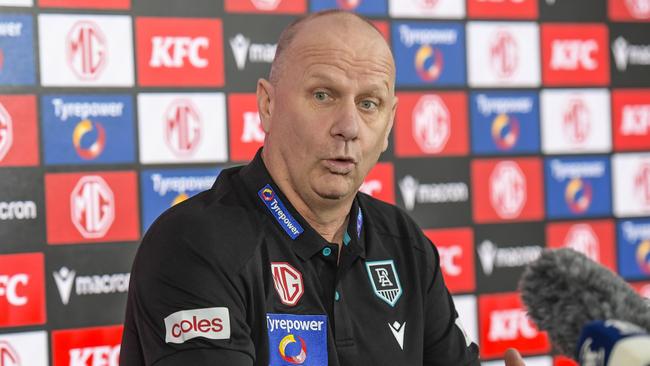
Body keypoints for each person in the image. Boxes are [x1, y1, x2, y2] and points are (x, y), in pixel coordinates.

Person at [120, 10, 526, 366]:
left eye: (369, 104)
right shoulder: (194, 244)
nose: (348, 127)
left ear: (388, 125)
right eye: (323, 95)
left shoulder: (405, 244)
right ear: (267, 105)